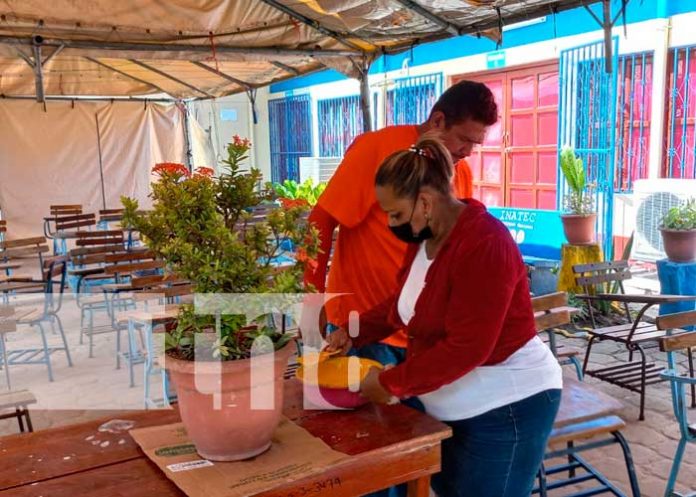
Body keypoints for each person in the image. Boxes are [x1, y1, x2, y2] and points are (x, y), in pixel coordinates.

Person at [325, 134, 563, 497]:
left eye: (395, 214)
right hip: (452, 404)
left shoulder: (486, 244)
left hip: (507, 407)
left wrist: (390, 384)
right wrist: (352, 332)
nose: (391, 223)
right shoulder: (425, 237)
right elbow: (401, 307)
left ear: (424, 202)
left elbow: (467, 348)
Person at [304, 80, 498, 366]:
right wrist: (312, 301)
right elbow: (320, 221)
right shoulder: (377, 148)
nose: (468, 151)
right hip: (361, 330)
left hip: (423, 335)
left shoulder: (462, 173)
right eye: (463, 139)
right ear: (438, 120)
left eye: (475, 144)